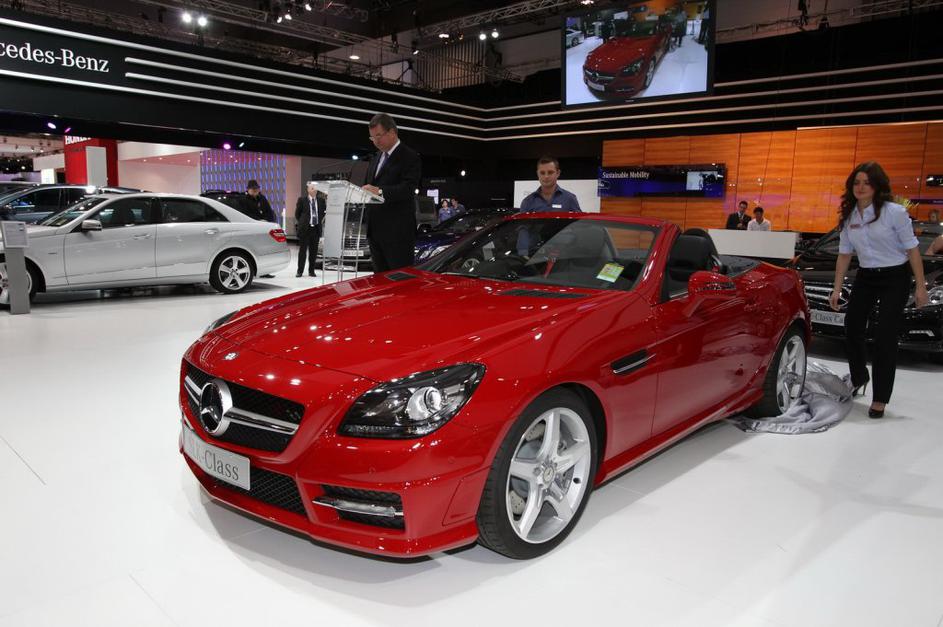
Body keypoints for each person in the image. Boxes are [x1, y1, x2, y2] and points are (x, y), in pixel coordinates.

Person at [828, 161, 929, 418]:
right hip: (866, 276)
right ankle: (859, 377)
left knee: (885, 335)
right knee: (852, 326)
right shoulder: (849, 216)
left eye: (867, 182)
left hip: (895, 276)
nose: (860, 187)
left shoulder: (894, 212)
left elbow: (912, 250)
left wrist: (921, 287)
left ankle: (880, 397)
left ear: (877, 185)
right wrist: (836, 289)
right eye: (856, 182)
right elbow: (844, 255)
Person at [362, 113, 422, 272]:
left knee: (399, 279)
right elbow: (368, 186)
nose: (375, 141)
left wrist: (380, 191)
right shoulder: (375, 158)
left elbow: (408, 189)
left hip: (397, 233)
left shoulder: (409, 156)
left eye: (378, 136)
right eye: (372, 138)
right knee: (379, 280)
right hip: (375, 232)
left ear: (392, 132)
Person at [294, 182, 325, 277]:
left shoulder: (321, 201)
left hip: (316, 229)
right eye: (312, 188)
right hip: (305, 229)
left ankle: (311, 271)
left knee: (313, 252)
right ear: (308, 190)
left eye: (315, 188)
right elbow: (297, 214)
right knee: (302, 251)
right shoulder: (302, 200)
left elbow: (322, 213)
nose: (314, 190)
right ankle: (300, 271)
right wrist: (303, 222)